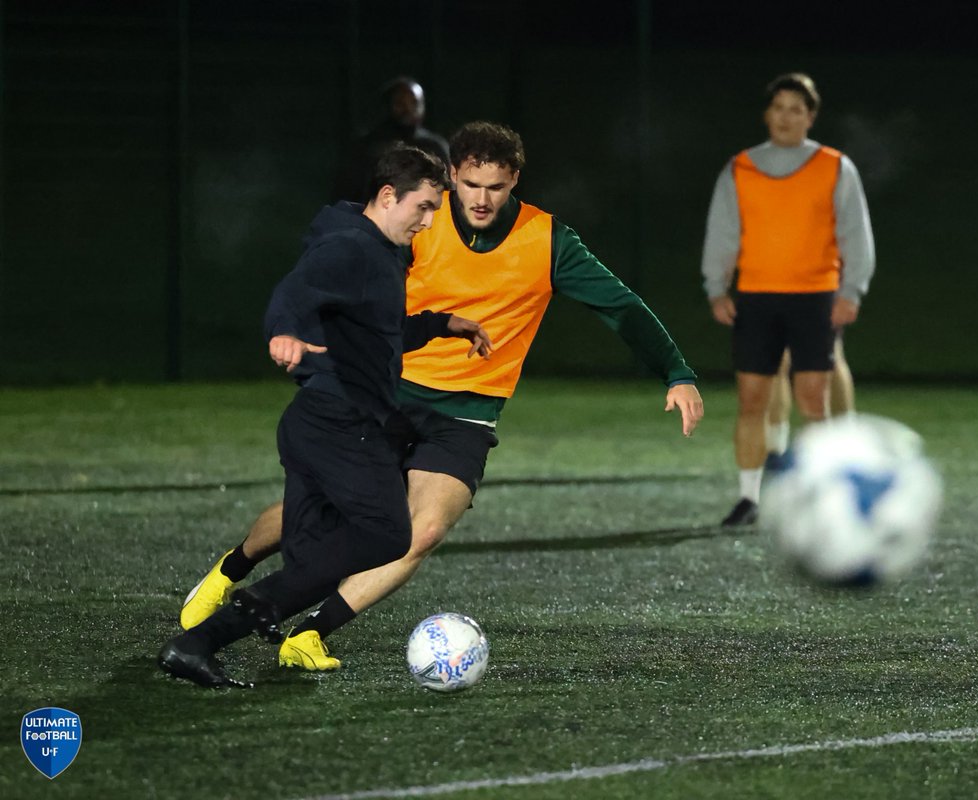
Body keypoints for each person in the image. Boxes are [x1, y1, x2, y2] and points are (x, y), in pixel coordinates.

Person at [178, 121, 705, 672]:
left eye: (496, 187)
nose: (481, 199)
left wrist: (676, 371)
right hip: (386, 394)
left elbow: (620, 306)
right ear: (452, 174)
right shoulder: (418, 219)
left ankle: (311, 631)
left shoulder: (549, 241)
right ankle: (231, 569)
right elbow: (337, 260)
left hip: (467, 412)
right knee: (326, 518)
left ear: (514, 181)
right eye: (471, 184)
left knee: (422, 530)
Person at [159, 145, 492, 688]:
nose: (430, 222)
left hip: (313, 422)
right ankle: (246, 611)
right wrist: (283, 330)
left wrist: (439, 324)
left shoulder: (380, 252)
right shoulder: (354, 247)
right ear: (388, 196)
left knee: (312, 560)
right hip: (342, 423)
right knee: (387, 535)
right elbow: (295, 290)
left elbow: (378, 333)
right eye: (425, 207)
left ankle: (196, 644)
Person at [701, 72, 876, 527]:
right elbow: (723, 234)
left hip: (815, 297)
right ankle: (748, 498)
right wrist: (716, 288)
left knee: (813, 401)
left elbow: (856, 235)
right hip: (756, 297)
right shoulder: (740, 168)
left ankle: (826, 495)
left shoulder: (835, 167)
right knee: (751, 399)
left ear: (811, 117)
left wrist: (850, 291)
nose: (786, 117)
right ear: (766, 114)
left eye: (796, 109)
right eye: (778, 108)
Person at [330, 75, 451, 203]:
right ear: (387, 106)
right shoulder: (366, 147)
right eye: (400, 103)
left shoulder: (434, 146)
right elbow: (346, 193)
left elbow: (449, 192)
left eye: (414, 103)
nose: (408, 109)